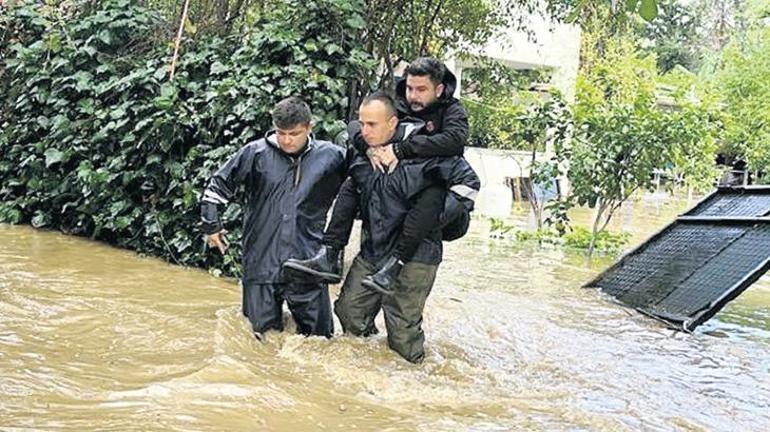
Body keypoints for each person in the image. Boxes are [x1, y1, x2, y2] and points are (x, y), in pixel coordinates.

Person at [283, 57, 471, 293]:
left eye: (421, 90)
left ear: (439, 89)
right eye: (410, 87)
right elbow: (356, 127)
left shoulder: (452, 110)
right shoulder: (399, 102)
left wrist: (400, 150)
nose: (413, 95)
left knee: (431, 189)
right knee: (355, 177)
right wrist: (370, 148)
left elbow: (455, 141)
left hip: (434, 197)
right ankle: (330, 252)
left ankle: (397, 263)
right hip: (393, 189)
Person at [330, 92, 480, 363]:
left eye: (372, 125)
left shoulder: (424, 149)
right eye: (362, 124)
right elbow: (349, 138)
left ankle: (412, 379)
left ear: (393, 123)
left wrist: (431, 221)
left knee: (401, 330)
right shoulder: (364, 149)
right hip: (374, 250)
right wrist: (364, 146)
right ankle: (368, 370)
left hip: (417, 255)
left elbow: (469, 183)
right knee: (349, 310)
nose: (365, 131)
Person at [200, 97, 348, 338]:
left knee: (320, 342)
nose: (287, 140)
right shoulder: (254, 153)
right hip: (261, 262)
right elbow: (217, 185)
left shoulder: (332, 157)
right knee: (259, 340)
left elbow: (363, 182)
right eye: (281, 133)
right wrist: (211, 225)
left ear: (310, 127)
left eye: (294, 133)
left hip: (307, 263)